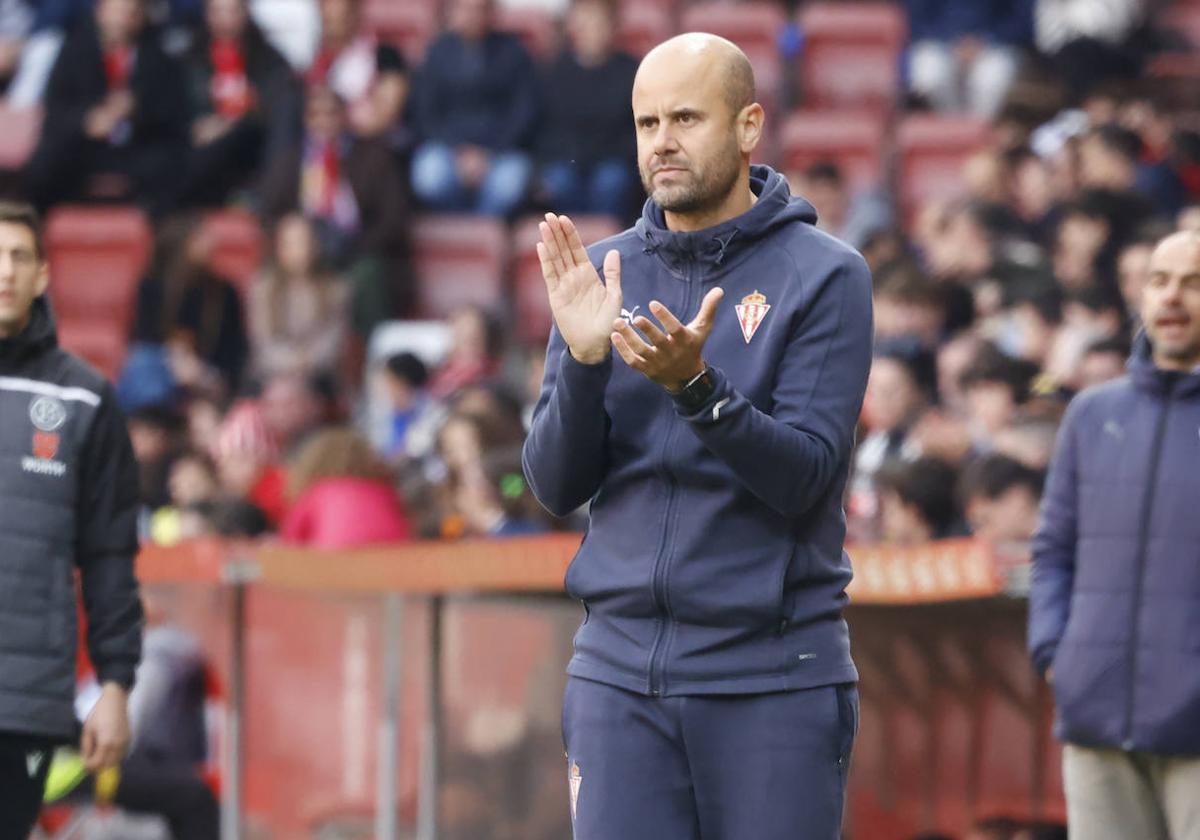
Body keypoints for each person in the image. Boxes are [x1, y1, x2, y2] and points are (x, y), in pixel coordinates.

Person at [522, 33, 872, 840]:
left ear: (749, 126)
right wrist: (581, 359)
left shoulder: (825, 275)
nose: (662, 143)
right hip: (616, 677)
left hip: (772, 680)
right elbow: (553, 484)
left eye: (686, 118)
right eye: (647, 124)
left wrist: (698, 390)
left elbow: (803, 477)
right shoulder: (600, 275)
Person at [1029, 230, 1200, 840]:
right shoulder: (1091, 415)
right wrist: (1057, 652)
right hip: (1097, 720)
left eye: (1192, 282)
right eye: (1160, 280)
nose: (1172, 297)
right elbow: (1052, 551)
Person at [0, 201, 142, 837]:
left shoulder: (84, 398)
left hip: (24, 701)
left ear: (42, 275)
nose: (4, 271)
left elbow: (110, 554)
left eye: (18, 257)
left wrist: (115, 685)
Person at [24, 0, 189, 213]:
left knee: (173, 164)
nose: (123, 19)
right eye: (118, 10)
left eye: (132, 12)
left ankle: (161, 236)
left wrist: (137, 111)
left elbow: (174, 117)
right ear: (100, 12)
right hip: (85, 148)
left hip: (136, 150)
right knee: (44, 163)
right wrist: (88, 121)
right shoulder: (74, 53)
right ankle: (38, 230)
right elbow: (55, 111)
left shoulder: (159, 59)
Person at [409, 0, 540, 216]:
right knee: (429, 176)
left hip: (501, 151)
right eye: (466, 8)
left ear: (492, 12)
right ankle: (456, 228)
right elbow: (425, 113)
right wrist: (458, 151)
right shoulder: (437, 53)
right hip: (448, 149)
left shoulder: (514, 52)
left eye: (480, 9)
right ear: (453, 11)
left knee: (510, 184)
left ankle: (485, 231)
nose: (472, 16)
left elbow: (524, 112)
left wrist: (488, 152)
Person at [537, 0, 638, 219]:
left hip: (612, 159)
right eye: (585, 23)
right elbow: (548, 126)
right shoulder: (557, 70)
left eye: (598, 22)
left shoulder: (630, 70)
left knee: (611, 182)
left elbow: (633, 129)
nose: (591, 30)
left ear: (612, 27)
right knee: (559, 180)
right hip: (567, 159)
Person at [280, 425, 412, 547]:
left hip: (335, 562)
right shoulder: (384, 491)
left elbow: (291, 538)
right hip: (392, 559)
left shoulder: (317, 492)